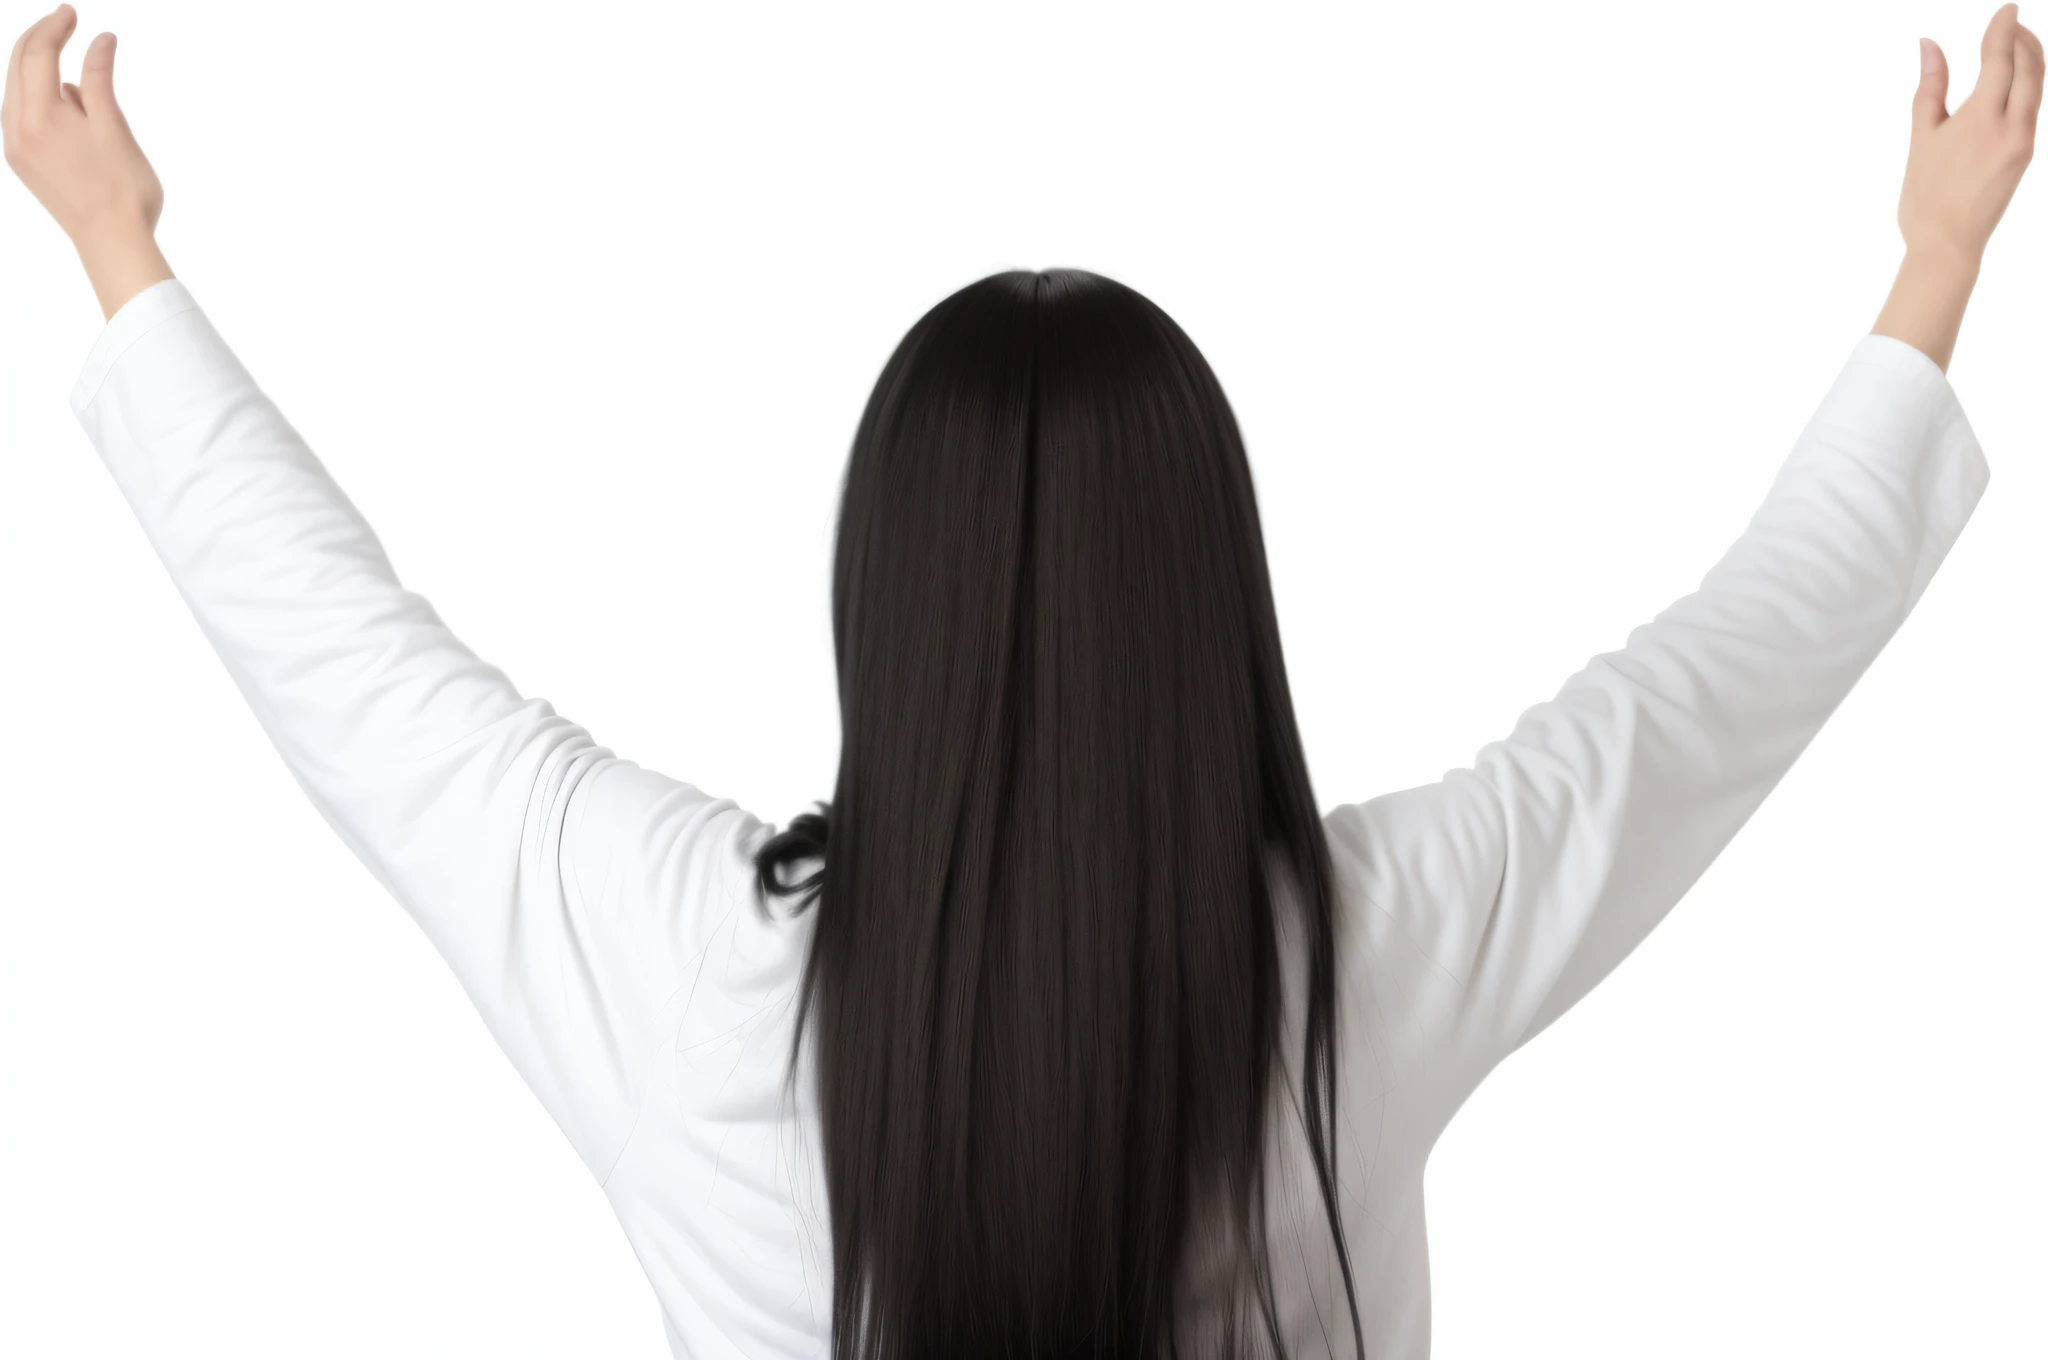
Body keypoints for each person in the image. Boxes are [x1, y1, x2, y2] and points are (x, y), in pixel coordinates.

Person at [4, 4, 2037, 1357]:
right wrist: (1934, 258)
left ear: (881, 603)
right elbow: (1723, 673)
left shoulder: (687, 967)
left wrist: (117, 247)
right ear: (1210, 603)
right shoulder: (1365, 953)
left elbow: (348, 665)